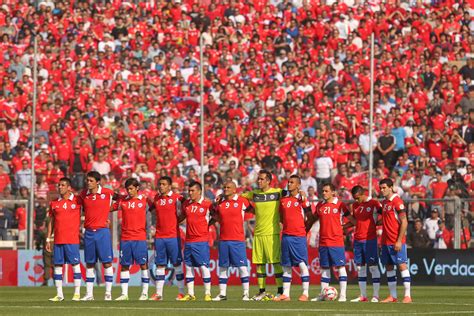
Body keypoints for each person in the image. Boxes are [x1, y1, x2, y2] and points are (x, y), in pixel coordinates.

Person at [241, 170, 284, 301]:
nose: (259, 181)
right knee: (259, 264)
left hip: (272, 233)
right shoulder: (254, 194)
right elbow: (239, 197)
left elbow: (293, 194)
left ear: (268, 181)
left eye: (261, 179)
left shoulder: (278, 192)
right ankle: (261, 291)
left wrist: (302, 193)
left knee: (275, 262)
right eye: (258, 179)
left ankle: (280, 292)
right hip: (258, 233)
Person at [308, 183, 350, 302]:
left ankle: (342, 296)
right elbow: (313, 219)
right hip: (323, 242)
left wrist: (343, 228)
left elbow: (353, 220)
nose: (324, 193)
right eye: (323, 191)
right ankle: (323, 295)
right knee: (325, 268)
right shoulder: (320, 205)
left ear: (333, 192)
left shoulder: (340, 205)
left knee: (340, 267)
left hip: (336, 241)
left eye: (326, 191)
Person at [274, 175, 312, 302]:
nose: (289, 184)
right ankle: (285, 294)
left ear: (298, 185)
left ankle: (305, 293)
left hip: (298, 236)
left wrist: (305, 229)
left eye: (292, 182)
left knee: (302, 264)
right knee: (286, 265)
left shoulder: (302, 198)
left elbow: (310, 215)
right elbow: (281, 217)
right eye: (288, 182)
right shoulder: (283, 200)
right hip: (286, 236)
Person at [212, 180, 252, 301]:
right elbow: (215, 217)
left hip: (237, 240)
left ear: (235, 189)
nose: (225, 189)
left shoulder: (242, 201)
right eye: (224, 187)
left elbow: (254, 210)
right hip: (223, 239)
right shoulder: (220, 202)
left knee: (242, 267)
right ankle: (222, 294)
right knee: (223, 267)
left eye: (228, 187)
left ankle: (246, 293)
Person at [77, 171, 115, 301]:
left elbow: (123, 200)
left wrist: (106, 213)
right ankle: (89, 294)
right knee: (89, 263)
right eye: (87, 180)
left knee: (107, 263)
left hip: (102, 232)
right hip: (88, 233)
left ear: (98, 182)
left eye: (91, 180)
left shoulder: (108, 193)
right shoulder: (83, 195)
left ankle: (108, 293)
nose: (88, 182)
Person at [149, 176, 185, 301]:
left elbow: (186, 209)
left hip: (173, 236)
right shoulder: (157, 198)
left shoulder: (177, 198)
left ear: (169, 186)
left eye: (164, 184)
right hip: (159, 236)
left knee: (176, 264)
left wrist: (178, 221)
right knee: (160, 264)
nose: (161, 186)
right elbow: (151, 210)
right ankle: (159, 294)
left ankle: (181, 292)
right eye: (159, 184)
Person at [113, 178, 150, 301]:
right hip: (125, 239)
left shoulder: (144, 200)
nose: (129, 191)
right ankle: (124, 294)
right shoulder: (122, 201)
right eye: (127, 189)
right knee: (124, 266)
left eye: (131, 189)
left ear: (137, 188)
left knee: (143, 265)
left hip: (139, 238)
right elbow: (107, 208)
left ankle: (145, 293)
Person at [46, 177, 81, 302]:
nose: (60, 187)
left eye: (62, 185)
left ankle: (77, 293)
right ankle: (59, 294)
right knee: (57, 266)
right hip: (58, 240)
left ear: (69, 187)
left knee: (75, 265)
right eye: (59, 185)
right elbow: (51, 221)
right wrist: (48, 238)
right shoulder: (54, 203)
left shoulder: (77, 201)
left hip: (72, 240)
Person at [344, 185, 382, 302]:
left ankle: (375, 295)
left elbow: (386, 216)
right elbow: (355, 222)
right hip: (358, 240)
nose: (356, 200)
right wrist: (343, 227)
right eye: (354, 198)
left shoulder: (374, 203)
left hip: (370, 240)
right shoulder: (355, 205)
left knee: (373, 267)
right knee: (360, 267)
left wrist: (375, 223)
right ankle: (363, 295)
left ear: (363, 194)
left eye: (357, 198)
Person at [178, 181, 213, 301]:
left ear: (199, 191)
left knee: (203, 267)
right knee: (188, 267)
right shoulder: (186, 204)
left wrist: (207, 226)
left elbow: (216, 217)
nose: (190, 193)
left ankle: (208, 293)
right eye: (189, 191)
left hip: (201, 241)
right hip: (188, 241)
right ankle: (191, 294)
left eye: (193, 191)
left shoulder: (207, 204)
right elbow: (182, 216)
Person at [379, 178, 412, 303]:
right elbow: (387, 220)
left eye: (384, 188)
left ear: (391, 187)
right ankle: (393, 296)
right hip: (385, 241)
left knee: (402, 265)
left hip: (395, 241)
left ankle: (407, 295)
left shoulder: (397, 201)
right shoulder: (385, 202)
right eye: (381, 188)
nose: (382, 190)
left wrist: (399, 240)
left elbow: (404, 221)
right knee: (388, 267)